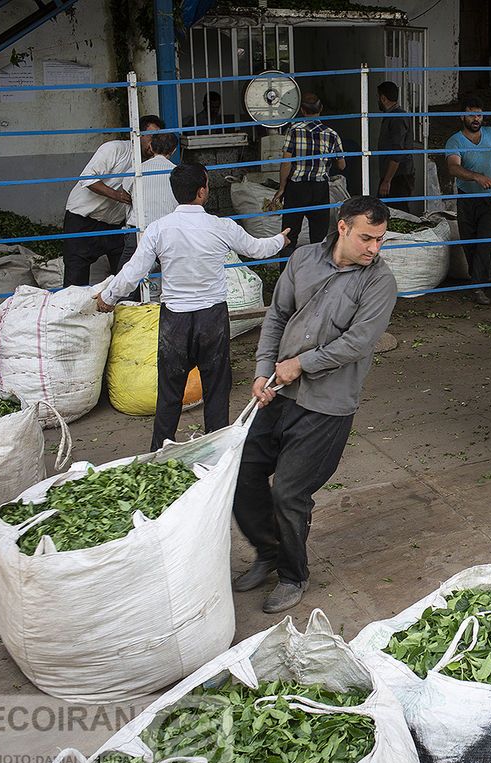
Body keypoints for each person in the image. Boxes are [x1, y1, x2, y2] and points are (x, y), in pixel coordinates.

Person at [232, 196, 398, 614]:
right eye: (366, 238)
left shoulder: (379, 282)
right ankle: (268, 550)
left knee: (289, 491)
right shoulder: (304, 259)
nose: (373, 248)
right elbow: (276, 316)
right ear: (342, 227)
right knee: (242, 470)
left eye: (380, 240)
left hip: (328, 403)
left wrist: (302, 364)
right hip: (278, 390)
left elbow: (358, 342)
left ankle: (292, 575)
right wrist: (263, 369)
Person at [95, 163, 289, 451]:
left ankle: (158, 455)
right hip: (213, 320)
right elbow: (256, 249)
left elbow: (133, 271)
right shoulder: (221, 227)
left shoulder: (158, 229)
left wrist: (108, 297)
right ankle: (215, 453)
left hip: (175, 322)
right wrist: (280, 240)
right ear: (202, 192)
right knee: (216, 390)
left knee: (169, 393)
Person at [62, 115, 164, 287]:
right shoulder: (115, 149)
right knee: (76, 276)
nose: (154, 142)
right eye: (151, 136)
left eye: (158, 138)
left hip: (114, 225)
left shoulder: (152, 163)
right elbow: (87, 178)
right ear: (136, 135)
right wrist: (118, 196)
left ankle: (122, 308)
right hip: (82, 219)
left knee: (125, 272)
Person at [445, 96, 491, 305]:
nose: (476, 118)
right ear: (462, 116)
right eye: (471, 114)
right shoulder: (455, 141)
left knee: (484, 242)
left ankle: (478, 287)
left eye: (479, 114)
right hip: (467, 200)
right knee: (469, 242)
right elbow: (453, 167)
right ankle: (477, 280)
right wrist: (476, 176)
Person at [276, 93, 345, 252]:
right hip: (319, 190)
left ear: (301, 110)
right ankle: (316, 274)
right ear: (321, 109)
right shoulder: (331, 134)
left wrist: (281, 188)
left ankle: (285, 273)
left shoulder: (293, 130)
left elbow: (286, 162)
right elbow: (342, 165)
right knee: (319, 239)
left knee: (289, 235)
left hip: (296, 189)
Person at [120, 132, 179, 269]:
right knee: (172, 273)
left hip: (139, 232)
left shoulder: (134, 171)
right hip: (169, 232)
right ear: (174, 150)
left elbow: (125, 196)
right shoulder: (178, 173)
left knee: (127, 276)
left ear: (151, 147)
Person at [376, 81, 415, 211]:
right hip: (394, 175)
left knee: (397, 213)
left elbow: (397, 152)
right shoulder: (393, 116)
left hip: (398, 177)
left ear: (383, 98)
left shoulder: (397, 117)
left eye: (378, 97)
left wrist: (387, 181)